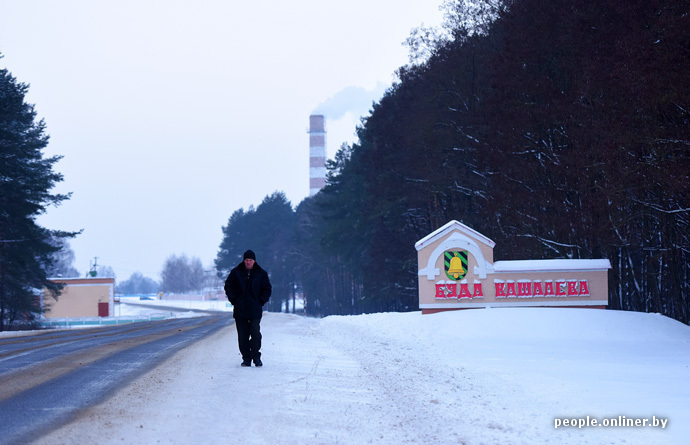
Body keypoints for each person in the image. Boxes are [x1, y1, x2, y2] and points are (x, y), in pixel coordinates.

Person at [224, 249, 272, 367]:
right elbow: (228, 286)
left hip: (255, 309)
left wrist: (261, 301)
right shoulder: (236, 272)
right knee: (243, 335)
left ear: (254, 261)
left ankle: (256, 356)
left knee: (256, 333)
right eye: (246, 260)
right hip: (240, 310)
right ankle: (246, 358)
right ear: (243, 260)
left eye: (250, 260)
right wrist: (234, 300)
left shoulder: (261, 273)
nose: (248, 262)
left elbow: (267, 289)